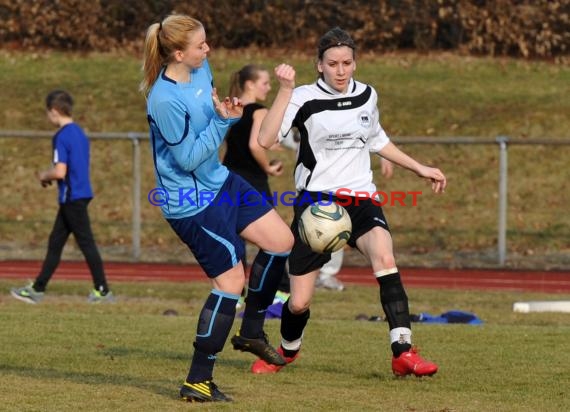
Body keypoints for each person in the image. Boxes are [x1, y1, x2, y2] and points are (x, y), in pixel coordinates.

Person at [252, 27, 447, 377]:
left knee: (385, 257)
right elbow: (265, 139)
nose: (341, 70)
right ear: (319, 65)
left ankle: (402, 352)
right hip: (318, 206)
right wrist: (284, 91)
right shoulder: (303, 97)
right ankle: (287, 350)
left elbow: (378, 140)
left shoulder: (368, 95)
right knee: (298, 302)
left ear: (355, 63)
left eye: (347, 63)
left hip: (361, 199)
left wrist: (419, 168)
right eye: (333, 64)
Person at [140, 14, 294, 403]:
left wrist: (220, 108)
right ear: (178, 53)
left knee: (281, 240)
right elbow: (189, 158)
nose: (208, 50)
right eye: (200, 46)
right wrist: (224, 122)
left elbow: (207, 117)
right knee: (229, 283)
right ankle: (198, 379)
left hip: (220, 181)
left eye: (206, 42)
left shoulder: (200, 68)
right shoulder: (163, 98)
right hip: (190, 202)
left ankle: (252, 331)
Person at [10, 90, 114, 305]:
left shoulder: (62, 135)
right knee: (55, 243)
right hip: (80, 193)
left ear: (54, 111)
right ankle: (38, 289)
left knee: (86, 243)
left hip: (72, 197)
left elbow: (60, 172)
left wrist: (43, 176)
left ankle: (102, 289)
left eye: (48, 113)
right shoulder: (79, 133)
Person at [222, 64, 290, 297]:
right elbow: (254, 144)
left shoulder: (229, 109)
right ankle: (281, 291)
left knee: (234, 236)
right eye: (265, 83)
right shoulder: (259, 111)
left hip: (226, 178)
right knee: (274, 237)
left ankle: (236, 293)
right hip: (252, 182)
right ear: (250, 84)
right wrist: (268, 167)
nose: (269, 88)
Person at [316, 159, 393, 291]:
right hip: (314, 181)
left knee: (337, 227)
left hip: (349, 182)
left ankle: (325, 275)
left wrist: (384, 156)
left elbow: (375, 139)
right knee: (313, 229)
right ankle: (300, 276)